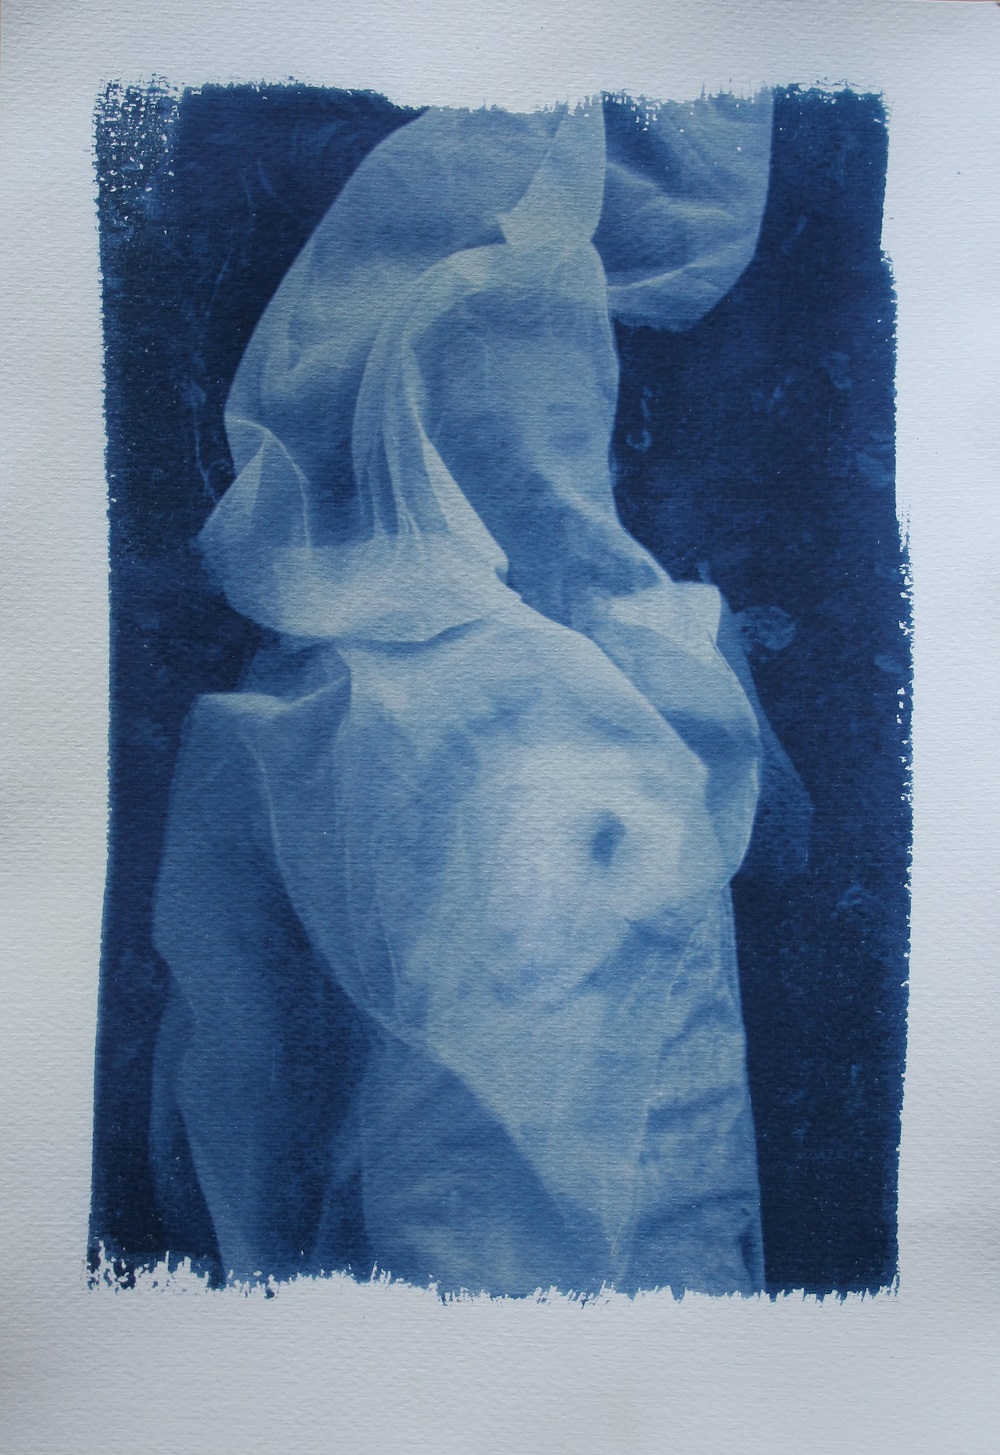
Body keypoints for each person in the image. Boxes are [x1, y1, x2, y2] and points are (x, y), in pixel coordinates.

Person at [151, 94, 796, 1295]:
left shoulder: (316, 699)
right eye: (543, 412)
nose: (575, 448)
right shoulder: (502, 710)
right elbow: (469, 1156)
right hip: (532, 1287)